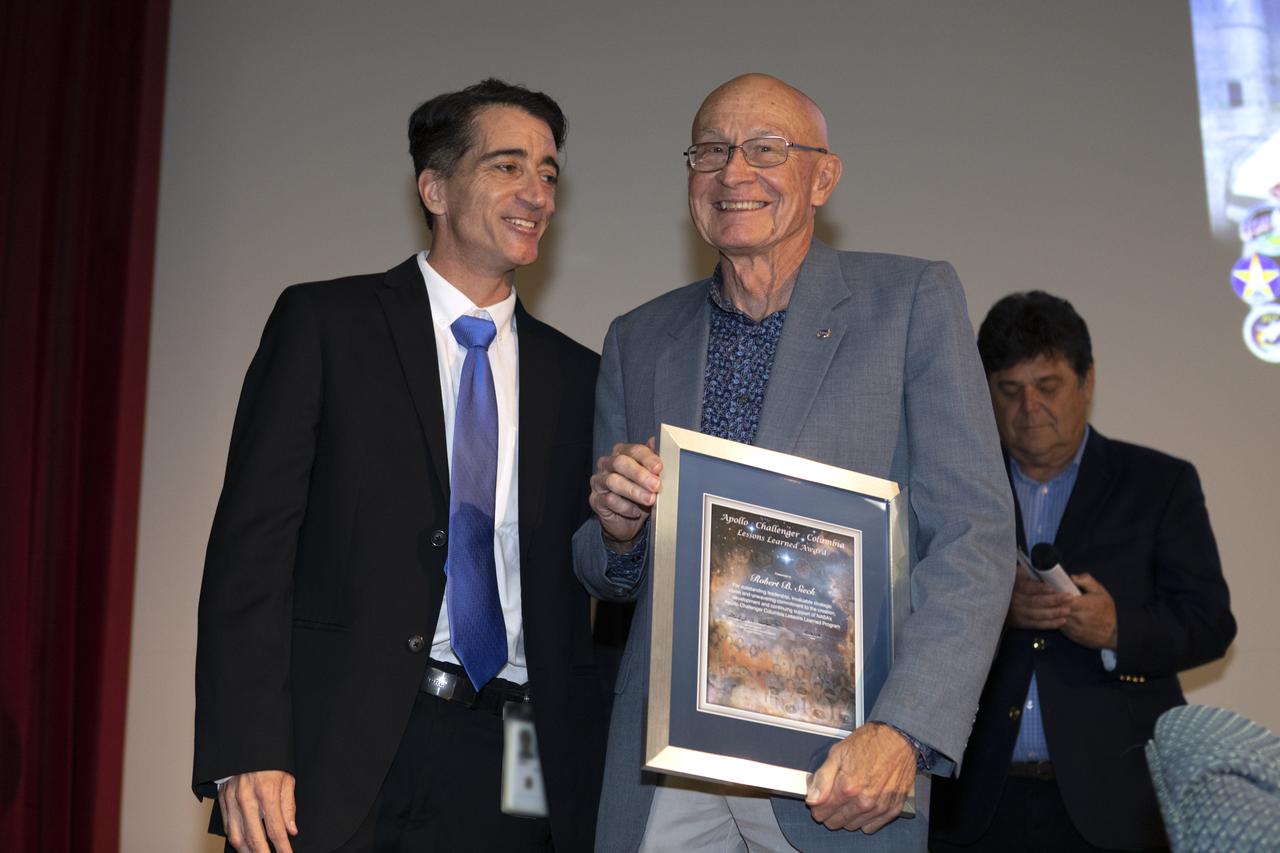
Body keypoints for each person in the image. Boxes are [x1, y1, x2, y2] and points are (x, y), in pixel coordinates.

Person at [573, 73, 1014, 852]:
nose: (732, 172)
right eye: (710, 151)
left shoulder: (910, 300)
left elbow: (974, 537)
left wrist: (905, 729)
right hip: (669, 768)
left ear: (823, 176)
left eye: (765, 149)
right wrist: (617, 530)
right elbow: (607, 570)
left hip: (839, 766)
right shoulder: (638, 338)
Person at [192, 79, 606, 853]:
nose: (537, 193)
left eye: (549, 173)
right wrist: (247, 747)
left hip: (513, 761)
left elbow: (598, 589)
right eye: (508, 166)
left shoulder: (581, 377)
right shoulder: (327, 325)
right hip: (342, 748)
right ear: (436, 186)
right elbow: (252, 551)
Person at [929, 291, 1237, 851]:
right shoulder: (952, 488)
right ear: (985, 394)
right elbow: (903, 613)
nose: (1030, 409)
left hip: (1116, 803)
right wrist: (997, 610)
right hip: (974, 802)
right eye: (1009, 391)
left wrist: (1118, 629)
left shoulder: (1159, 484)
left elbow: (1211, 623)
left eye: (1048, 387)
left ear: (1086, 383)